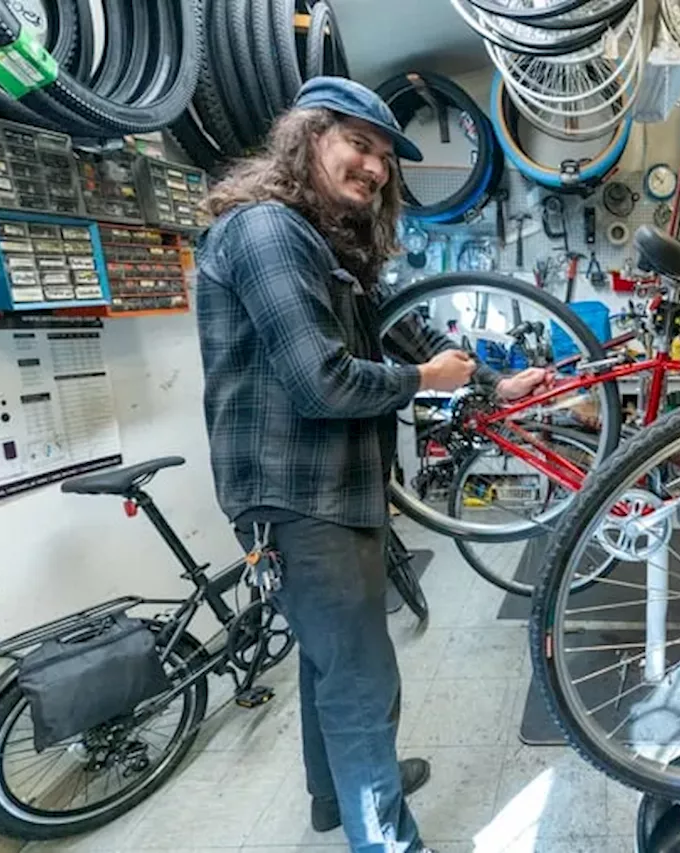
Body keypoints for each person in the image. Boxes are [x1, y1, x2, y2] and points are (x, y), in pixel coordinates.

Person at [194, 77, 542, 852]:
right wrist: (427, 383)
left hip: (334, 488)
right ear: (308, 136)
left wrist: (492, 380)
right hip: (301, 494)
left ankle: (337, 795)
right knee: (360, 680)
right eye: (360, 144)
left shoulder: (323, 243)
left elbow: (404, 332)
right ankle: (385, 834)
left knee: (332, 664)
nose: (376, 167)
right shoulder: (267, 234)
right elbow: (322, 381)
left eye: (385, 155)